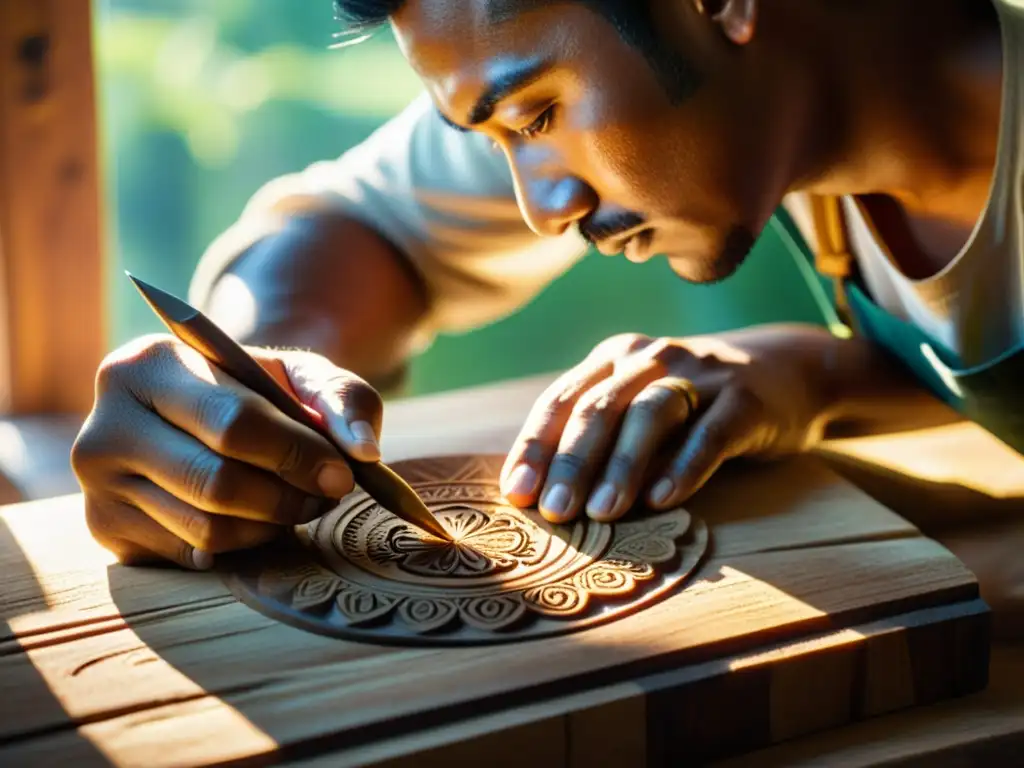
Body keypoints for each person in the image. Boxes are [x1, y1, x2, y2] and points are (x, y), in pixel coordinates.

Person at [72, 0, 1021, 596]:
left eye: (534, 119)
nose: (540, 206)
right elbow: (361, 228)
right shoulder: (718, 81)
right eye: (498, 142)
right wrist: (239, 380)